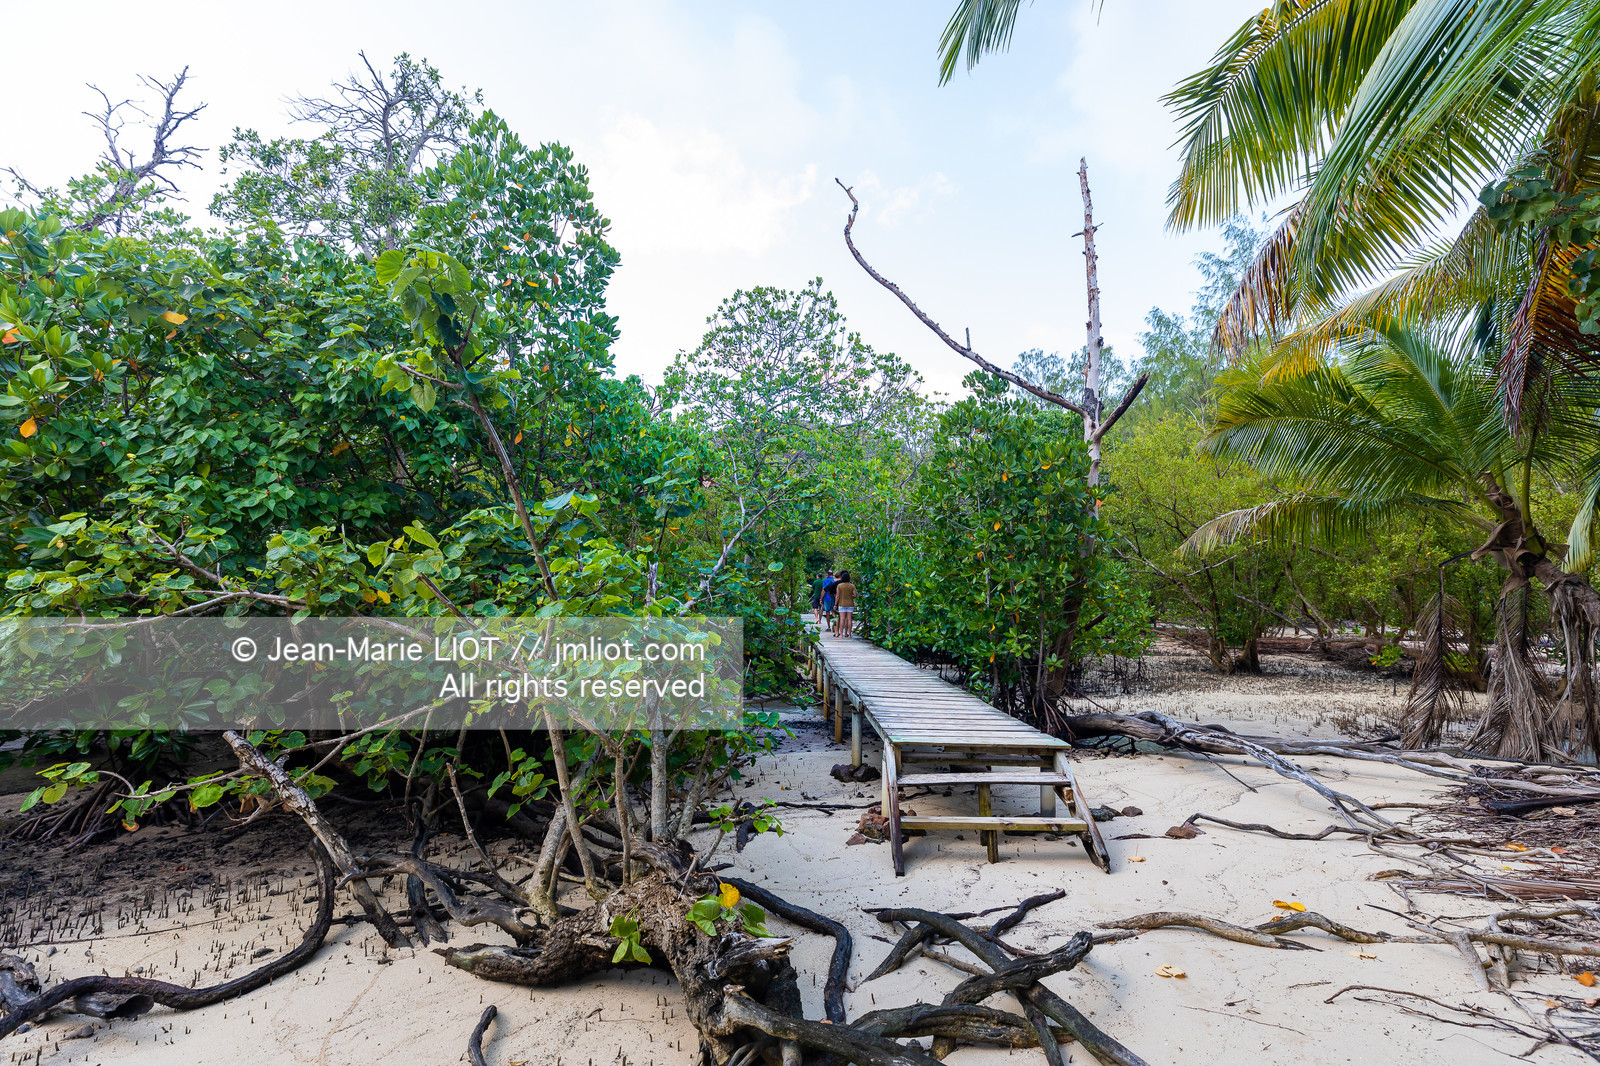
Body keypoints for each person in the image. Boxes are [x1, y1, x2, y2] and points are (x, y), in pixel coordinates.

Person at [833, 571, 857, 639]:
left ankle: (841, 634)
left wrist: (835, 604)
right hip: (850, 604)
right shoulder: (852, 586)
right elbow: (855, 595)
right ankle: (849, 634)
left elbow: (837, 596)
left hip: (841, 603)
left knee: (842, 619)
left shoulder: (839, 586)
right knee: (849, 619)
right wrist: (850, 596)